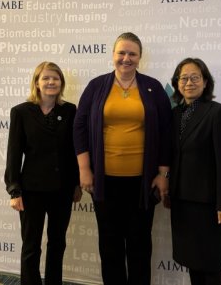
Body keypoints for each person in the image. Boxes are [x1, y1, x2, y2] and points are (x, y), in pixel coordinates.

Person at [73, 32, 172, 285]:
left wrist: (162, 174)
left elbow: (166, 132)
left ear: (140, 58)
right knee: (110, 243)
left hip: (142, 183)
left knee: (140, 244)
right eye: (121, 53)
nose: (126, 58)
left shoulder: (153, 87)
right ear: (113, 55)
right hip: (104, 183)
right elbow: (80, 127)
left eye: (132, 54)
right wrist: (84, 169)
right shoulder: (97, 86)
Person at [4, 61, 82, 285]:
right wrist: (14, 190)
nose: (51, 82)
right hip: (31, 190)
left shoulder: (70, 110)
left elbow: (73, 151)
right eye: (46, 78)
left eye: (55, 78)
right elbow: (13, 154)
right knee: (31, 245)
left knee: (57, 243)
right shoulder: (20, 112)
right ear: (37, 83)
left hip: (63, 189)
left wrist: (76, 184)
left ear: (61, 83)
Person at [168, 57, 221, 285]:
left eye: (195, 77)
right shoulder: (174, 115)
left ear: (205, 82)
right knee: (192, 262)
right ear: (177, 84)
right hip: (181, 202)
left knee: (211, 265)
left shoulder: (218, 113)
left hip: (207, 205)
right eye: (183, 78)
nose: (189, 82)